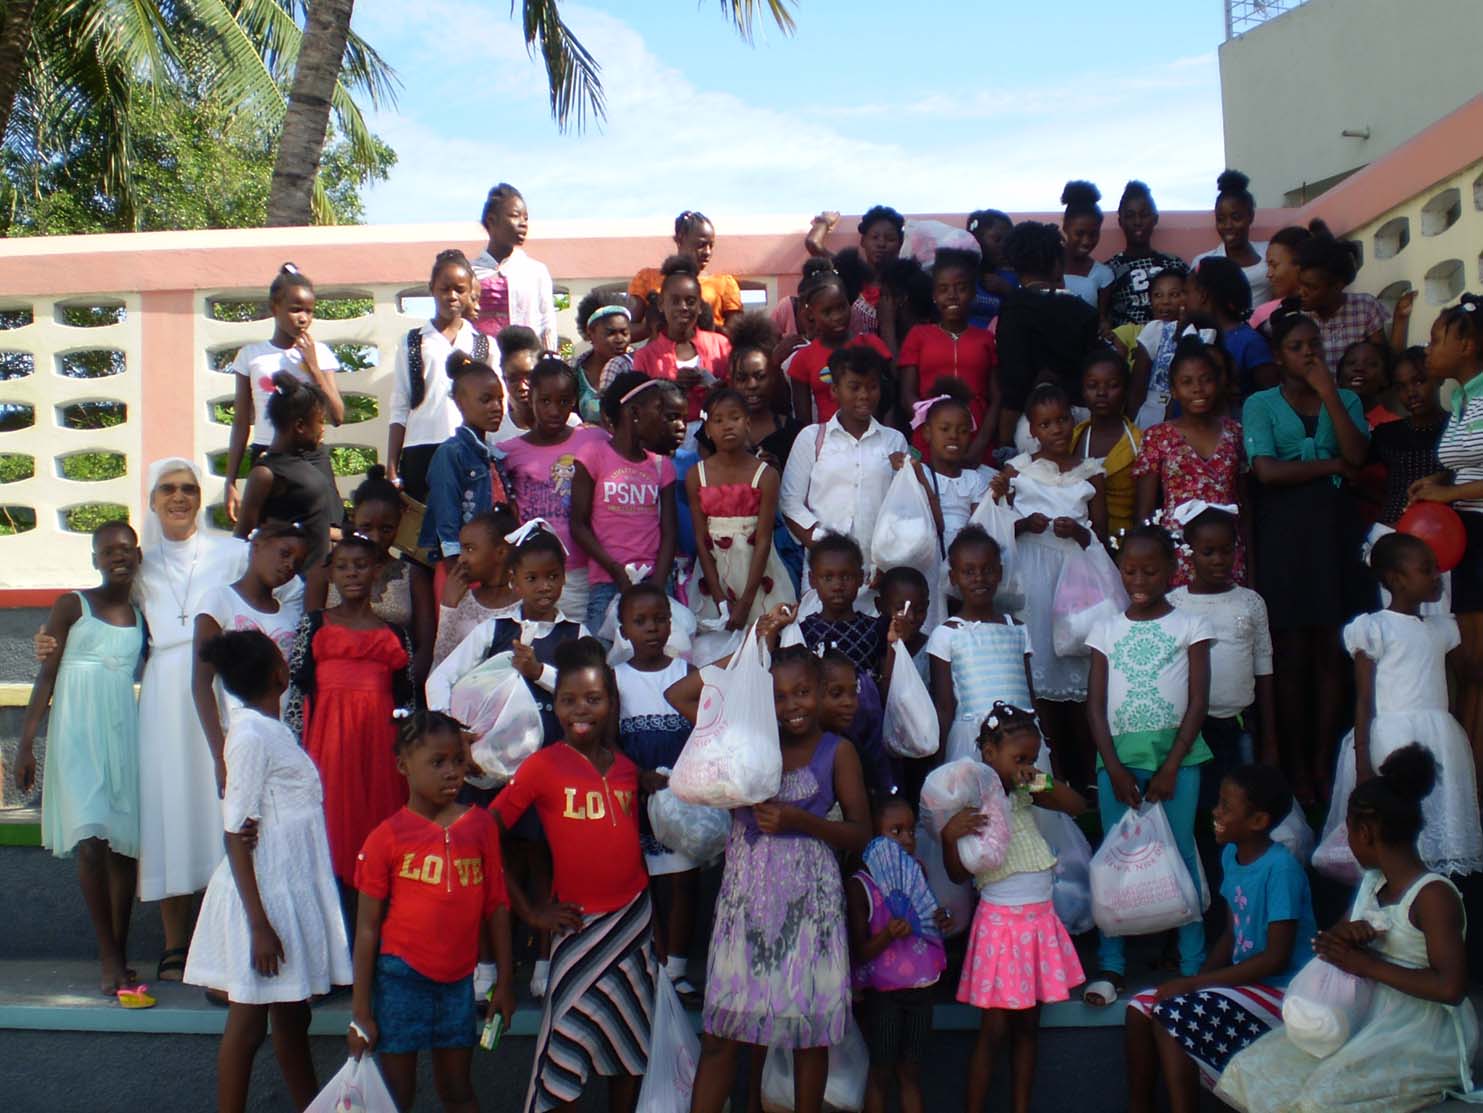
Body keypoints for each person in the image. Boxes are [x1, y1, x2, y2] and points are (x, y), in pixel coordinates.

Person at [1217, 745, 1482, 1113]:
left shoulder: (1432, 896)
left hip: (1422, 1032)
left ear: (1366, 832)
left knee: (1321, 1098)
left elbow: (1450, 987)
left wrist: (1366, 964)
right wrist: (1344, 938)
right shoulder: (1372, 884)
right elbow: (1327, 946)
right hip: (1366, 1016)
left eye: (1348, 829)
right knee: (1252, 1069)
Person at [688, 642, 872, 1113]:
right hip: (745, 899)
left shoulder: (839, 751)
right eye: (778, 695)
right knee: (720, 1036)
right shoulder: (746, 741)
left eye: (803, 692)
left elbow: (859, 832)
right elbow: (682, 696)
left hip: (810, 904)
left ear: (820, 693)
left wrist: (800, 821)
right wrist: (750, 653)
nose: (792, 706)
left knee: (807, 1036)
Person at [183, 630, 351, 1113]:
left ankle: (310, 1105)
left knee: (292, 1016)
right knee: (249, 1019)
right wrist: (259, 924)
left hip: (285, 887)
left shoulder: (272, 730)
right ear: (279, 673)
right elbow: (235, 829)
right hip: (264, 897)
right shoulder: (252, 735)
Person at [492, 637, 658, 1113]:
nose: (579, 710)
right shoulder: (541, 767)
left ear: (611, 704)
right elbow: (485, 837)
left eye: (593, 699)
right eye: (567, 700)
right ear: (555, 704)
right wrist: (530, 911)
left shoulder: (628, 770)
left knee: (629, 1049)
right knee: (565, 1051)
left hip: (632, 925)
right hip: (577, 927)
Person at [348, 710, 515, 1113]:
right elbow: (368, 929)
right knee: (395, 1097)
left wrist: (505, 982)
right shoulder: (386, 837)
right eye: (437, 762)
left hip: (458, 982)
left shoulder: (480, 827)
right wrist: (360, 1012)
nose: (451, 772)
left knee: (458, 1090)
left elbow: (497, 906)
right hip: (400, 980)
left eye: (458, 761)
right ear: (404, 766)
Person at [1125, 764, 1314, 1113]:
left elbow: (1276, 958)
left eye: (1226, 807)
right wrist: (1195, 982)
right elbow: (1232, 932)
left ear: (1258, 821)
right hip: (1246, 983)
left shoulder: (1281, 869)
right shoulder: (1231, 855)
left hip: (1284, 991)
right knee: (1139, 1009)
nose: (1216, 811)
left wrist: (1198, 984)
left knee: (1171, 1015)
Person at [1243, 301, 1372, 801]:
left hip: (1335, 532)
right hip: (1285, 534)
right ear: (1278, 355)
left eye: (1314, 346)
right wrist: (1330, 464)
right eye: (1296, 348)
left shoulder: (1346, 399)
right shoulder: (1260, 402)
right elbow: (1266, 471)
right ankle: (1293, 766)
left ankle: (1323, 765)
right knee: (1292, 652)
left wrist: (1329, 397)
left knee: (1331, 652)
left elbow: (1357, 459)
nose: (1308, 354)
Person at [1084, 523, 1214, 1006]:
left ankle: (1192, 965)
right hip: (1117, 761)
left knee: (1180, 853)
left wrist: (1171, 765)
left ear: (1172, 571)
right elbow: (1094, 706)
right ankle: (1111, 967)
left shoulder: (1191, 626)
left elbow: (1199, 702)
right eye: (1129, 570)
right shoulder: (1105, 629)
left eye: (1150, 570)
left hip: (1176, 761)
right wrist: (1113, 768)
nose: (1138, 579)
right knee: (1116, 857)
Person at [15, 521, 145, 998]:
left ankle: (122, 950)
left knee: (123, 847)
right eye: (107, 550)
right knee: (89, 842)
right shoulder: (73, 604)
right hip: (77, 735)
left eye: (126, 549)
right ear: (94, 559)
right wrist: (28, 744)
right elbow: (46, 676)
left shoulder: (141, 615)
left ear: (138, 556)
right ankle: (108, 957)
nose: (117, 556)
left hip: (122, 736)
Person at [942, 703, 1088, 1113]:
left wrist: (1039, 779)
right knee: (994, 1030)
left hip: (1039, 922)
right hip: (1001, 927)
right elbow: (957, 874)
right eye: (1018, 759)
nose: (1025, 766)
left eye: (1032, 758)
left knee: (1028, 1028)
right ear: (989, 753)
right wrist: (948, 837)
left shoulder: (1026, 792)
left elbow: (1075, 804)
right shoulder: (971, 798)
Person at [1321, 533, 1483, 877]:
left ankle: (1434, 884)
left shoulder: (1443, 628)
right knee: (1394, 818)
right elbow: (1364, 699)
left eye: (1437, 569)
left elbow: (1468, 675)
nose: (1436, 576)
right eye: (1427, 569)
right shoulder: (1374, 627)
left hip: (1438, 738)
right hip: (1391, 738)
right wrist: (1362, 759)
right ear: (1396, 579)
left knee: (1436, 812)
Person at [286, 533, 414, 887]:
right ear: (331, 576)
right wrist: (293, 753)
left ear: (376, 570)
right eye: (342, 567)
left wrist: (407, 752)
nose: (352, 574)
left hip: (379, 744)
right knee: (331, 826)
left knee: (378, 829)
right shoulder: (313, 624)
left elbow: (407, 700)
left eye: (360, 565)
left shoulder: (394, 634)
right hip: (328, 742)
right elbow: (297, 693)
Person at [998, 384, 1110, 787]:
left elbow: (1102, 533)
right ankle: (1052, 768)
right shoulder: (1019, 472)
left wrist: (1078, 534)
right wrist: (1026, 525)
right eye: (1046, 424)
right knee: (1040, 668)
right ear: (1033, 430)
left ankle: (1088, 773)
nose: (1057, 429)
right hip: (1033, 578)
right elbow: (999, 525)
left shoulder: (1091, 471)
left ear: (1073, 420)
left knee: (1078, 668)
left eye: (1062, 419)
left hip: (1077, 581)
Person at [611, 583, 702, 999]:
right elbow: (609, 743)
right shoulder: (617, 679)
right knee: (646, 885)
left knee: (682, 882)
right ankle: (652, 965)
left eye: (660, 619)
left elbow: (706, 731)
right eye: (640, 622)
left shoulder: (686, 673)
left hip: (680, 797)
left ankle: (677, 968)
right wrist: (638, 775)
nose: (652, 629)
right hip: (637, 800)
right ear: (623, 629)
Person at [1412, 294, 1483, 759]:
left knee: (1478, 666)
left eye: (1438, 338)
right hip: (1467, 539)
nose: (1429, 347)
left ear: (1468, 343)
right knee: (1467, 664)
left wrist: (1447, 494)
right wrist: (1441, 480)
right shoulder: (1461, 396)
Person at [192, 522, 309, 795]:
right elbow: (201, 684)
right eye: (284, 553)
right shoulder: (219, 600)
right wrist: (219, 756)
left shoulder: (290, 614)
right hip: (239, 739)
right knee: (242, 822)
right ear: (256, 546)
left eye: (297, 561)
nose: (289, 564)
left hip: (284, 740)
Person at [848, 798, 947, 1113]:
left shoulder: (918, 872)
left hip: (921, 987)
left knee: (911, 1072)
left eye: (911, 831)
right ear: (874, 838)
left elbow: (927, 921)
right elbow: (861, 952)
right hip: (883, 994)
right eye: (896, 831)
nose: (907, 839)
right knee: (880, 1072)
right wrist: (888, 934)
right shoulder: (860, 886)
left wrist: (940, 920)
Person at [223, 263, 344, 524]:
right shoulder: (251, 356)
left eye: (309, 311)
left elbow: (337, 415)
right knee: (272, 536)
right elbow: (242, 421)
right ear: (274, 308)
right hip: (269, 456)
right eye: (295, 309)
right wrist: (231, 480)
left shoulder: (320, 354)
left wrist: (313, 367)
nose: (303, 318)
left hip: (311, 457)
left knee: (327, 532)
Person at [780, 345, 909, 580]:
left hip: (877, 570)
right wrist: (823, 544)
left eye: (872, 387)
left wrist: (888, 558)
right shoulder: (811, 438)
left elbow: (903, 507)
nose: (864, 395)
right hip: (824, 573)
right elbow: (790, 502)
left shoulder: (894, 440)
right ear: (835, 390)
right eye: (854, 387)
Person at [570, 372, 684, 634]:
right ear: (634, 413)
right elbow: (578, 525)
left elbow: (669, 532)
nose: (662, 417)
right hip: (608, 583)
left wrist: (658, 583)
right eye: (658, 408)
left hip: (654, 581)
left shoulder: (660, 465)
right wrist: (615, 570)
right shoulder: (593, 456)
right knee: (605, 659)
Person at [1134, 334, 1250, 586]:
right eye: (1187, 382)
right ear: (1174, 390)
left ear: (1218, 383)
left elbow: (1245, 506)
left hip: (1227, 552)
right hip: (1177, 552)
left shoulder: (1235, 433)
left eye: (1206, 380)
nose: (1198, 388)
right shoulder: (1157, 436)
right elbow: (1145, 512)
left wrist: (1252, 566)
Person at [1169, 507, 1276, 777]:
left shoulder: (1250, 601)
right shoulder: (1174, 604)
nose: (1219, 560)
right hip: (1188, 727)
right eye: (1208, 552)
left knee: (1241, 796)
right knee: (1199, 799)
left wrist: (1270, 737)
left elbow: (1263, 667)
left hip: (1238, 721)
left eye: (1226, 550)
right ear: (1190, 551)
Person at [497, 355, 604, 620]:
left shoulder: (594, 439)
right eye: (545, 401)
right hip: (535, 573)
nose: (554, 410)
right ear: (530, 398)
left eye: (563, 401)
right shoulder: (508, 452)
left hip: (582, 570)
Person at [387, 248, 491, 501]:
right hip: (421, 450)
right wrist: (391, 465)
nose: (452, 296)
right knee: (426, 531)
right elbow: (400, 406)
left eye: (460, 290)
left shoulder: (483, 344)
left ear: (470, 293)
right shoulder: (412, 342)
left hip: (469, 448)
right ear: (432, 288)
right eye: (445, 289)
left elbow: (496, 408)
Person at [687, 387, 795, 629]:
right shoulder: (697, 475)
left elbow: (765, 539)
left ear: (747, 424)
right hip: (714, 574)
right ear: (707, 429)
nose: (727, 426)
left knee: (765, 637)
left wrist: (745, 602)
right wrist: (720, 599)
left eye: (734, 418)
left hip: (757, 571)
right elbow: (700, 539)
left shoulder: (766, 475)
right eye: (718, 420)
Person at [318, 467, 436, 687]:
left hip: (393, 688)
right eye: (366, 527)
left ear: (399, 523)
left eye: (386, 529)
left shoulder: (413, 575)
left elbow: (426, 646)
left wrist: (402, 692)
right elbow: (309, 636)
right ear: (353, 519)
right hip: (334, 688)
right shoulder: (326, 571)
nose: (375, 537)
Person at [927, 526, 1035, 764]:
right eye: (968, 571)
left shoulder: (1018, 629)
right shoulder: (945, 635)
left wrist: (1046, 747)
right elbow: (944, 707)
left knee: (1030, 794)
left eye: (987, 570)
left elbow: (1030, 696)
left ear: (1000, 573)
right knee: (980, 798)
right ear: (953, 577)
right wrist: (939, 765)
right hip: (971, 745)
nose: (979, 578)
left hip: (1023, 740)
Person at [995, 221, 1103, 448]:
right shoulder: (1083, 311)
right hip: (1080, 421)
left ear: (1015, 265)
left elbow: (1015, 382)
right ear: (1056, 265)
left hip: (1035, 423)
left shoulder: (1014, 310)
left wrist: (1004, 440)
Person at [898, 249, 1000, 462]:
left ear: (973, 293)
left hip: (975, 435)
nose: (952, 295)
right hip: (929, 434)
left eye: (961, 288)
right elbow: (908, 394)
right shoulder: (918, 335)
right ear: (934, 296)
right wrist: (930, 430)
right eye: (943, 289)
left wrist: (980, 443)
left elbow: (996, 398)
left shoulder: (986, 339)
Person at [232, 372, 341, 568]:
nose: (323, 429)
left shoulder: (304, 464)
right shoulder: (265, 474)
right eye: (320, 421)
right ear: (300, 426)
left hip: (319, 581)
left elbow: (309, 524)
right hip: (294, 585)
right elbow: (241, 538)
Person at [418, 351, 506, 564]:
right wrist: (455, 568)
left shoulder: (495, 456)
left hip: (491, 564)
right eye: (486, 400)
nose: (496, 407)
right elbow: (446, 516)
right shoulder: (451, 453)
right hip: (462, 567)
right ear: (460, 403)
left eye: (499, 400)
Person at [786, 265, 893, 426]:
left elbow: (890, 398)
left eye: (842, 307)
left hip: (871, 439)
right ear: (811, 314)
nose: (837, 317)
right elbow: (803, 420)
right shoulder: (802, 359)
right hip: (828, 444)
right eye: (827, 312)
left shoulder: (871, 345)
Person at [632, 254, 733, 421]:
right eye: (675, 301)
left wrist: (716, 389)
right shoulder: (645, 356)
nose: (683, 307)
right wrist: (673, 387)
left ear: (700, 306)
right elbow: (641, 406)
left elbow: (736, 392)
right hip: (666, 441)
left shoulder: (721, 346)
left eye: (691, 301)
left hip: (715, 439)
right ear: (661, 304)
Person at [911, 384, 995, 564]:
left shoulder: (975, 479)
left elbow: (979, 529)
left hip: (964, 563)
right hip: (928, 560)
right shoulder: (918, 475)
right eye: (944, 429)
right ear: (927, 432)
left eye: (963, 431)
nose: (954, 436)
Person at [629, 210, 743, 340]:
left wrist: (701, 323)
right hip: (660, 357)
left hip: (707, 355)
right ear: (680, 239)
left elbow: (736, 335)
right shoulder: (648, 278)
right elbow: (628, 330)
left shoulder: (724, 283)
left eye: (711, 246)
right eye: (701, 244)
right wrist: (655, 324)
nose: (707, 252)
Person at [431, 507, 519, 670]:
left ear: (500, 553)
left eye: (470, 549)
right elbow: (440, 666)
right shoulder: (461, 601)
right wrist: (448, 607)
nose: (461, 559)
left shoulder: (525, 605)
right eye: (461, 549)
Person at [1296, 220, 1389, 372]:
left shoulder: (1365, 307)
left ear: (1337, 286)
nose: (1301, 293)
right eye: (1300, 284)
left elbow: (1381, 361)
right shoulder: (1297, 315)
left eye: (1311, 287)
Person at [471, 182, 556, 348]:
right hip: (481, 368)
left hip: (527, 365)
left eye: (526, 218)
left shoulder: (536, 272)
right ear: (491, 220)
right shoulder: (470, 273)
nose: (523, 223)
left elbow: (547, 323)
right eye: (515, 216)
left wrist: (548, 359)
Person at [1368, 346, 1445, 525]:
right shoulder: (1386, 433)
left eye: (1419, 381)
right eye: (1401, 386)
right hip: (1391, 528)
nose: (1411, 393)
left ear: (1439, 378)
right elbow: (1356, 477)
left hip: (1443, 529)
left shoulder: (1459, 426)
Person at [1186, 254, 1277, 401]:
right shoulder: (1193, 336)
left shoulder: (1250, 343)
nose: (1182, 301)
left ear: (1202, 295)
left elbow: (1272, 396)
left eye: (1186, 292)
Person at [1073, 351, 1142, 537]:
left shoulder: (1140, 442)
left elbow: (1143, 511)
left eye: (1112, 386)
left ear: (1126, 390)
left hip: (1125, 541)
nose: (1102, 393)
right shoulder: (1072, 438)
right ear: (1083, 391)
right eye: (1092, 386)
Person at [1105, 181, 1189, 328]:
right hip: (1128, 344)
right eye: (1130, 216)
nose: (1137, 222)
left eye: (1144, 215)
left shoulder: (1174, 264)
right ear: (1120, 221)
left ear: (1155, 219)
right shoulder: (1110, 270)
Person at [1193, 170, 1271, 305]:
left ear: (1250, 216)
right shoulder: (1204, 263)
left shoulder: (1268, 252)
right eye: (1220, 219)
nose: (1227, 226)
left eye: (1236, 218)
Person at [1128, 270, 1188, 430]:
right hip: (1154, 412)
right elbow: (1138, 384)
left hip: (1188, 411)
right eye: (1158, 295)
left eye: (1174, 295)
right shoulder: (1153, 329)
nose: (1165, 302)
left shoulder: (1198, 329)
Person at [572, 290, 633, 424]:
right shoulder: (574, 373)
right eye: (611, 333)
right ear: (590, 333)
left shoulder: (636, 367)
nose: (619, 339)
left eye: (624, 332)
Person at [1060, 181, 1114, 311]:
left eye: (1093, 234)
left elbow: (1101, 319)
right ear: (1065, 227)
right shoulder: (1044, 265)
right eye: (1079, 233)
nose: (1086, 241)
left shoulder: (1103, 275)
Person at [1249, 224, 1312, 333]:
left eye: (1274, 265)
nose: (1269, 274)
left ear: (1300, 263)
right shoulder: (1262, 315)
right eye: (1268, 266)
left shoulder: (1320, 309)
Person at [965, 208, 1017, 327]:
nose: (1004, 246)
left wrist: (1007, 290)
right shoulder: (962, 273)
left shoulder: (1014, 276)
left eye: (1008, 240)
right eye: (997, 239)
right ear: (977, 239)